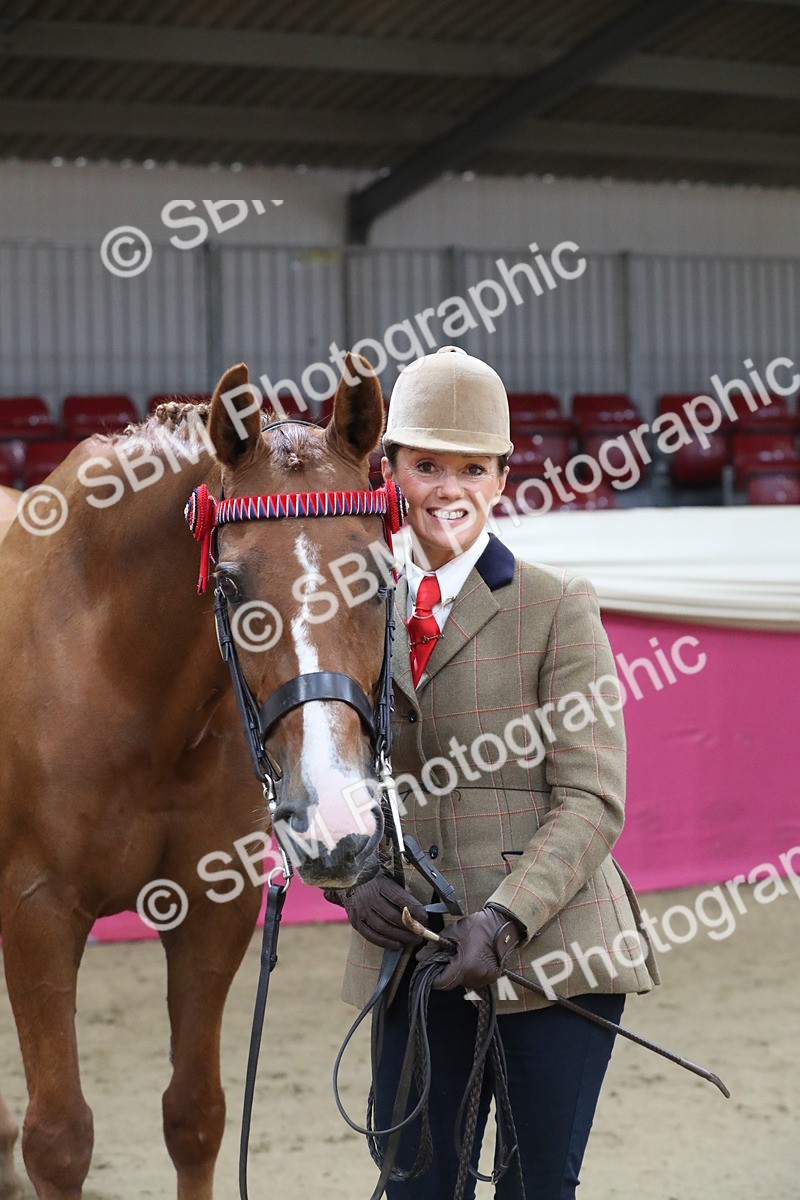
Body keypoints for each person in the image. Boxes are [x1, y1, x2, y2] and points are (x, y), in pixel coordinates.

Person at [328, 346, 659, 1199]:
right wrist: (350, 880)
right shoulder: (352, 613)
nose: (448, 488)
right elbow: (313, 768)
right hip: (414, 955)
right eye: (426, 465)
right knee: (414, 1187)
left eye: (471, 468)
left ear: (502, 477)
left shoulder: (557, 607)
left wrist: (506, 920)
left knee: (533, 1187)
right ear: (389, 470)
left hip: (550, 952)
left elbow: (593, 798)